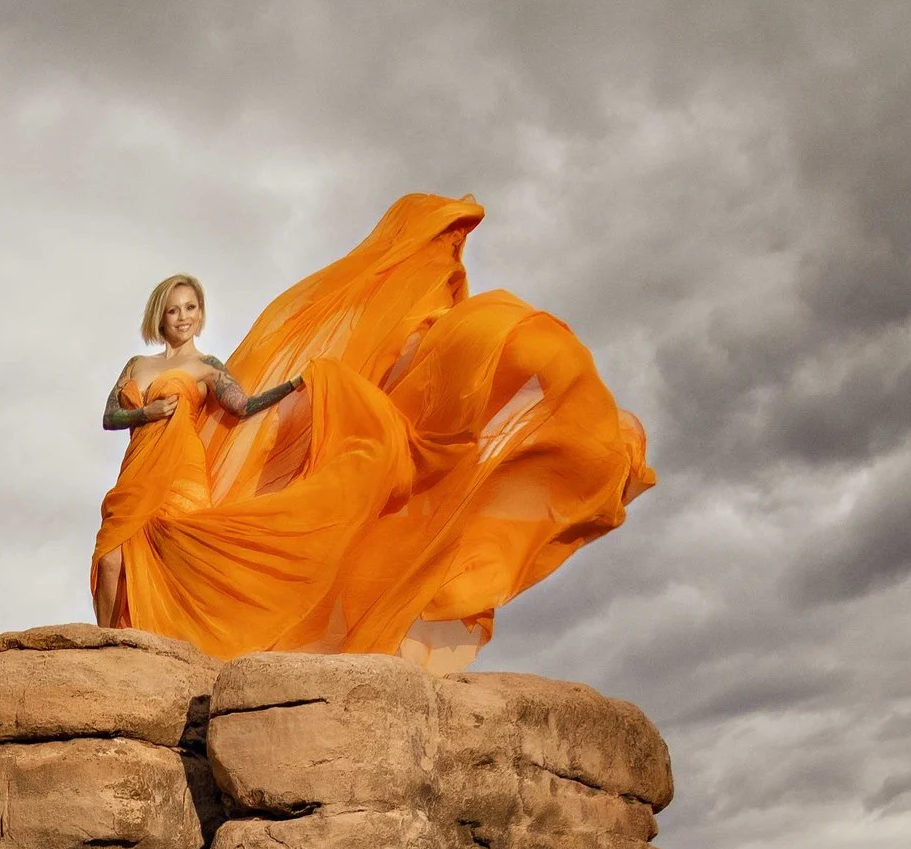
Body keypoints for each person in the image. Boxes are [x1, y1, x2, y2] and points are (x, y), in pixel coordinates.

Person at [89, 193, 653, 668]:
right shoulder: (138, 369)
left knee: (181, 554)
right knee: (113, 555)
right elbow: (111, 415)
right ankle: (110, 647)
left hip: (181, 468)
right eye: (173, 310)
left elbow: (243, 406)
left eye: (191, 308)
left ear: (200, 314)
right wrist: (145, 415)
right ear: (159, 316)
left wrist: (300, 385)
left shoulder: (207, 369)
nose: (182, 317)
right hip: (140, 465)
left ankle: (170, 651)